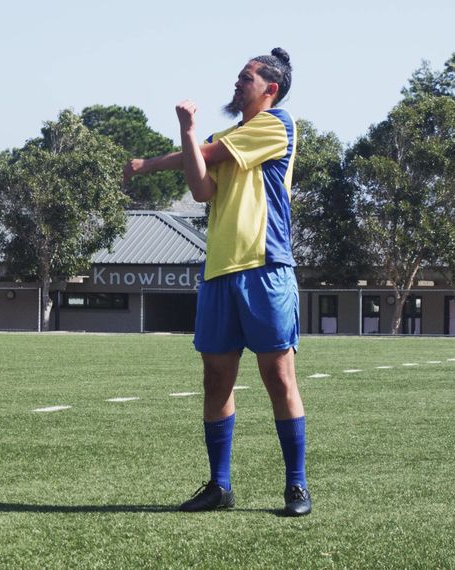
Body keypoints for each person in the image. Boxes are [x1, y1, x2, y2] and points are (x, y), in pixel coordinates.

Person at [123, 48, 310, 517]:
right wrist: (187, 135)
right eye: (238, 76)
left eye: (246, 78)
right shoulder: (226, 134)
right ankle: (219, 486)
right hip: (219, 272)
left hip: (265, 267)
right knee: (215, 380)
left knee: (278, 376)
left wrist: (148, 164)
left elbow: (206, 155)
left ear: (270, 89)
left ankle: (296, 487)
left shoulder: (277, 124)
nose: (237, 83)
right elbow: (201, 187)